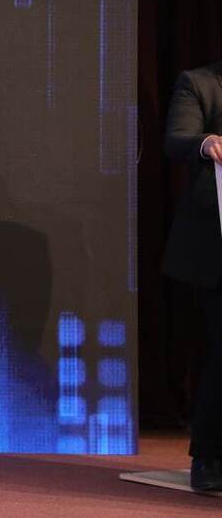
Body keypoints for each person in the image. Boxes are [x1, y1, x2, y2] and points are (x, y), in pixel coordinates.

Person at [164, 62, 222, 492]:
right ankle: (209, 456)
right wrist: (207, 143)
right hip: (215, 242)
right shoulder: (199, 83)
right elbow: (177, 139)